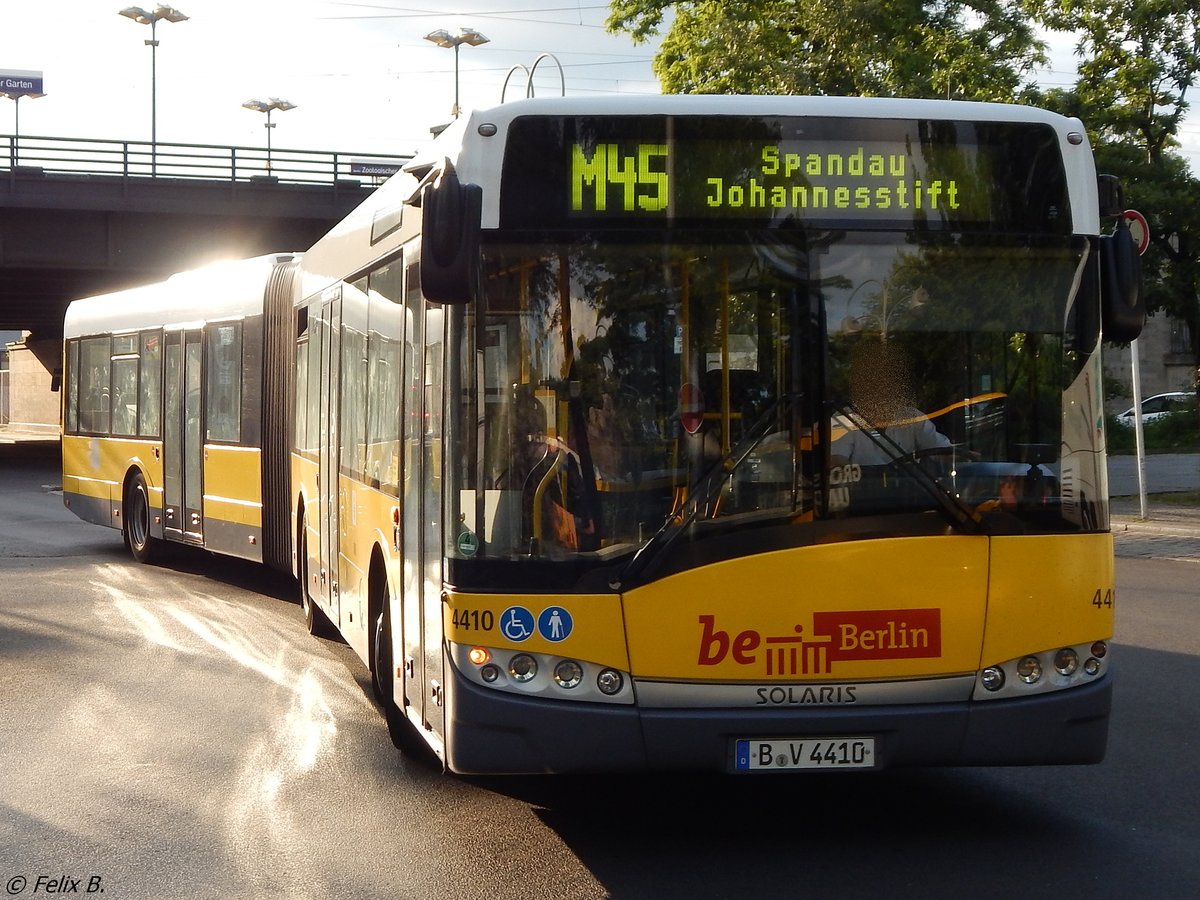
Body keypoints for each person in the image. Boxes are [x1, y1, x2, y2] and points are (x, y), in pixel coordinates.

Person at [830, 341, 951, 465]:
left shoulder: (912, 417)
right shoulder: (843, 419)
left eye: (890, 380)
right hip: (863, 485)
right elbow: (836, 462)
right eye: (876, 380)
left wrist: (967, 459)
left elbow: (943, 452)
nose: (884, 387)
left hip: (911, 484)